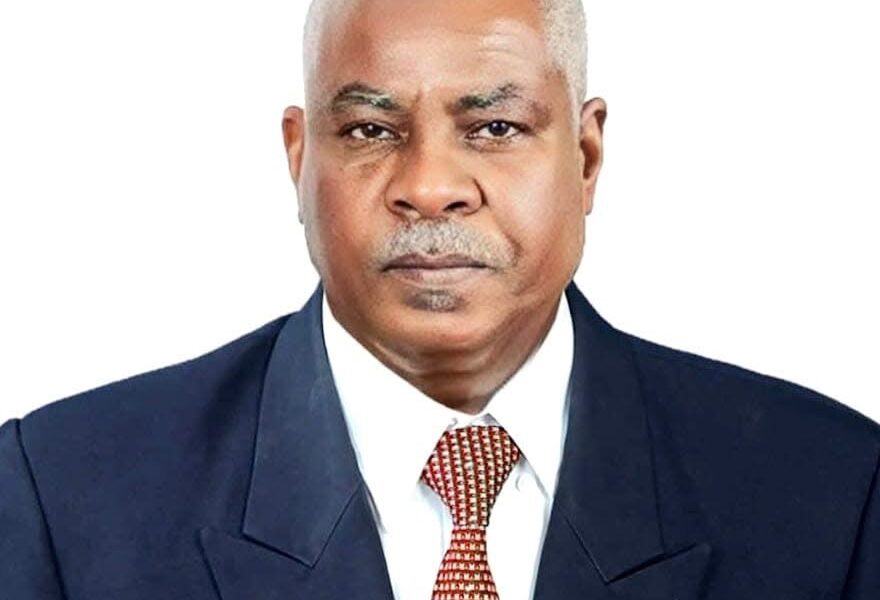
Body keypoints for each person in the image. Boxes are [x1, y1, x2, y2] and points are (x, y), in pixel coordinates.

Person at [1, 0, 878, 598]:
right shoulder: (61, 498)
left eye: (495, 127)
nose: (428, 186)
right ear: (300, 159)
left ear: (585, 157)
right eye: (370, 129)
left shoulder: (832, 492)